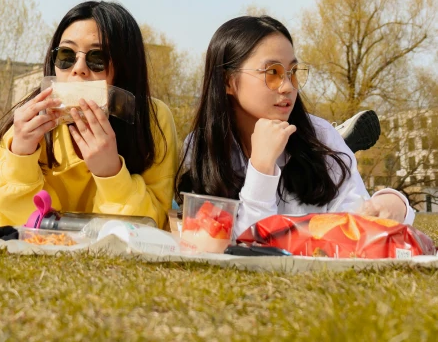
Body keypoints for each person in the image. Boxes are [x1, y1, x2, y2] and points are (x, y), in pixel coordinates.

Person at [176, 15, 414, 238]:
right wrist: (261, 167)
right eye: (273, 73)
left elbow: (358, 223)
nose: (287, 87)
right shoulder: (202, 147)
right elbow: (239, 244)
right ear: (228, 81)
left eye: (293, 72)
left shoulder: (319, 135)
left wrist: (395, 202)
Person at [0, 1, 177, 229]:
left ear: (125, 68)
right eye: (66, 55)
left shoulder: (151, 119)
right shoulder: (28, 120)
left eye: (97, 58)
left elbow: (152, 225)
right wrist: (21, 156)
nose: (78, 68)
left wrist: (111, 173)